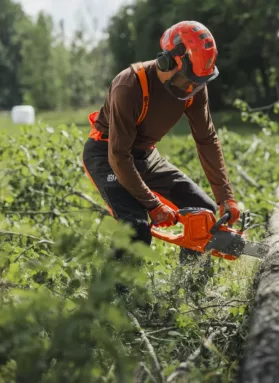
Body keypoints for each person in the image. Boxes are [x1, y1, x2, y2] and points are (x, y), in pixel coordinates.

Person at [82, 20, 240, 265]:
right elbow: (119, 155)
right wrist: (153, 205)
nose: (193, 87)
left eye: (199, 82)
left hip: (144, 154)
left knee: (204, 214)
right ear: (169, 61)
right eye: (190, 79)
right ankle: (116, 296)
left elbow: (206, 139)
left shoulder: (195, 88)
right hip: (107, 155)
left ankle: (190, 287)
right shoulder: (130, 85)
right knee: (135, 226)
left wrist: (225, 197)